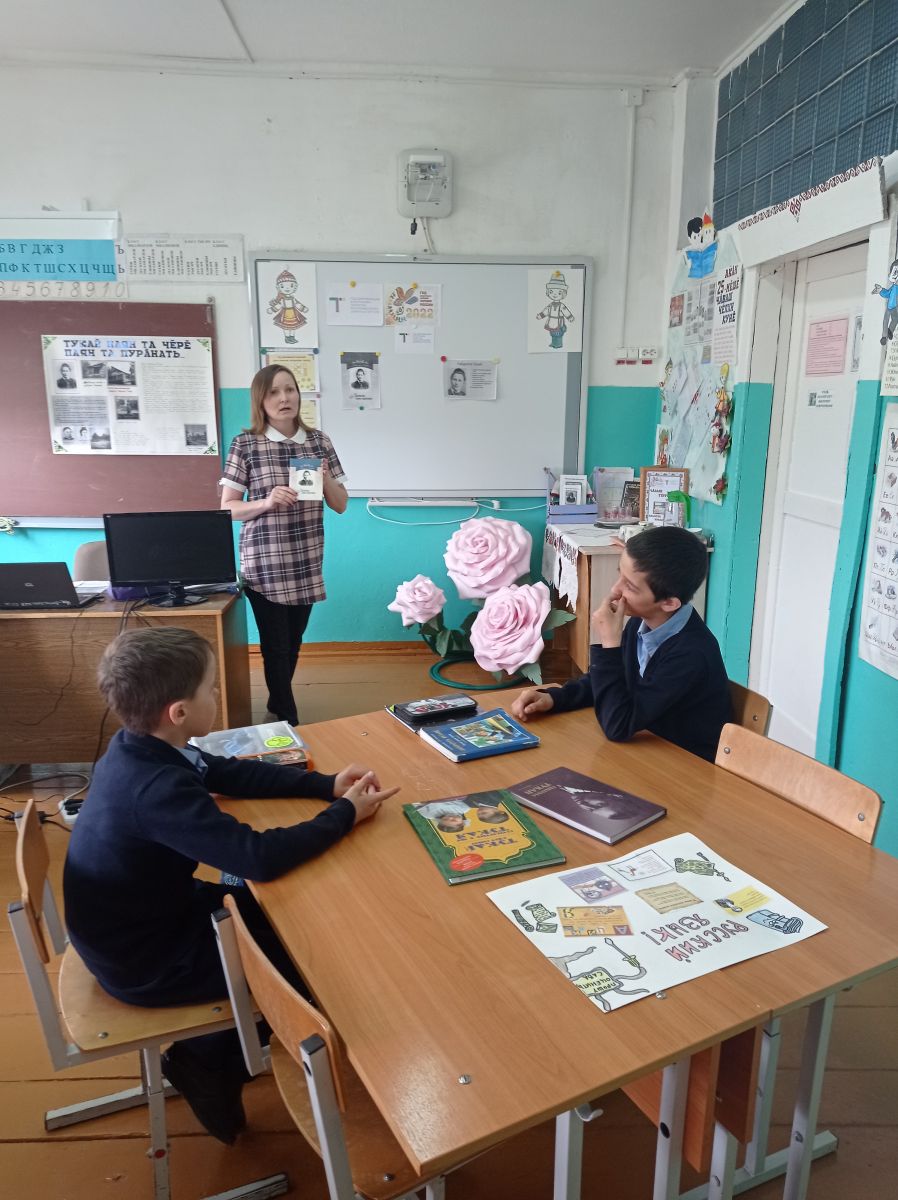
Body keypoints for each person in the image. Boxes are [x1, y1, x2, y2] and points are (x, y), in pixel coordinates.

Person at [62, 627, 398, 1144]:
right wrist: (345, 815)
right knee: (316, 965)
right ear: (179, 711)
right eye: (211, 687)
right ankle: (206, 1060)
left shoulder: (142, 746)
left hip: (153, 920)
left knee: (298, 920)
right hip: (149, 961)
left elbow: (222, 772)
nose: (217, 694)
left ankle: (216, 1049)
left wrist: (325, 785)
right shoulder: (155, 788)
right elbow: (256, 858)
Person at [511, 526, 732, 762]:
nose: (615, 589)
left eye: (630, 586)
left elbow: (617, 725)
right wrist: (556, 698)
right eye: (620, 575)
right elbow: (614, 682)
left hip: (686, 765)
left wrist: (610, 644)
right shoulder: (641, 622)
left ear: (669, 603)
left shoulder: (691, 654)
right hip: (648, 750)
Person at [220, 365, 348, 725]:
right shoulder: (246, 444)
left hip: (306, 559)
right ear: (260, 400)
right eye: (274, 392)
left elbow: (340, 504)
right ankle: (287, 719)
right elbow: (228, 509)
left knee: (293, 641)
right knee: (275, 645)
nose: (284, 398)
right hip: (264, 562)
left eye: (290, 389)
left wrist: (326, 479)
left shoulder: (318, 442)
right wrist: (266, 501)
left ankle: (277, 704)